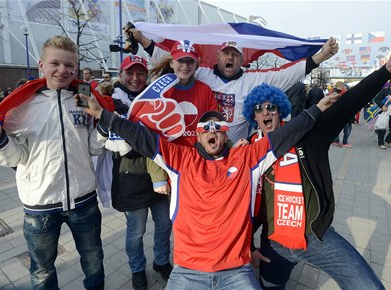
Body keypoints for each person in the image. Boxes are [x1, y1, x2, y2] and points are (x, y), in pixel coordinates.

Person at [79, 76, 339, 289]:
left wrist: (316, 110)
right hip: (187, 272)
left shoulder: (246, 157)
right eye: (206, 127)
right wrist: (104, 115)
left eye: (218, 127)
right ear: (198, 137)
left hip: (236, 272)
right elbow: (141, 136)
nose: (213, 130)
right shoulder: (181, 158)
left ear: (225, 135)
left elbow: (285, 134)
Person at [244, 22, 391, 290]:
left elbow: (350, 102)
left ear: (279, 110)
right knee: (270, 286)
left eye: (270, 107)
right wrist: (249, 249)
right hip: (274, 243)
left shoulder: (308, 135)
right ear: (253, 116)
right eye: (259, 109)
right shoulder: (249, 152)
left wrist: (388, 67)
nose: (265, 113)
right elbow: (238, 208)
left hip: (315, 237)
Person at [0, 35, 106, 290]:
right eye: (55, 63)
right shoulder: (20, 104)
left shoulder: (85, 99)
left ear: (76, 68)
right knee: (42, 271)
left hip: (84, 200)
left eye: (70, 65)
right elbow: (14, 158)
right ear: (41, 65)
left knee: (94, 260)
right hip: (40, 206)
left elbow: (92, 147)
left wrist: (103, 127)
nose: (62, 70)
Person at [129, 27, 339, 143]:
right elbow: (174, 59)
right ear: (218, 57)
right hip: (202, 146)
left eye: (235, 55)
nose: (230, 58)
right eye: (226, 54)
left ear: (241, 59)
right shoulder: (201, 73)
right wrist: (143, 39)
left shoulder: (253, 80)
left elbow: (287, 74)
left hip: (236, 149)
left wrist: (320, 56)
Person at [106, 55, 173, 290]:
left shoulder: (156, 100)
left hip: (158, 177)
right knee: (136, 231)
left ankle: (162, 261)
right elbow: (122, 144)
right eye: (130, 73)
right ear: (121, 74)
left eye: (141, 73)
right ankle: (136, 268)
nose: (135, 78)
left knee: (165, 224)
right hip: (130, 178)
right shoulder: (111, 102)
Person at [149, 40, 218, 146]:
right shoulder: (159, 89)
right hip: (166, 152)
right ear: (171, 63)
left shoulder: (205, 90)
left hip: (195, 153)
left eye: (190, 61)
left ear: (196, 65)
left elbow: (213, 121)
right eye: (180, 60)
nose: (185, 66)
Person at [331, 82, 354, 148]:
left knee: (341, 128)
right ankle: (343, 142)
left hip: (341, 113)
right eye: (343, 87)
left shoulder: (336, 92)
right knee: (347, 128)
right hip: (342, 113)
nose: (344, 88)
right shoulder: (337, 93)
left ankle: (337, 141)